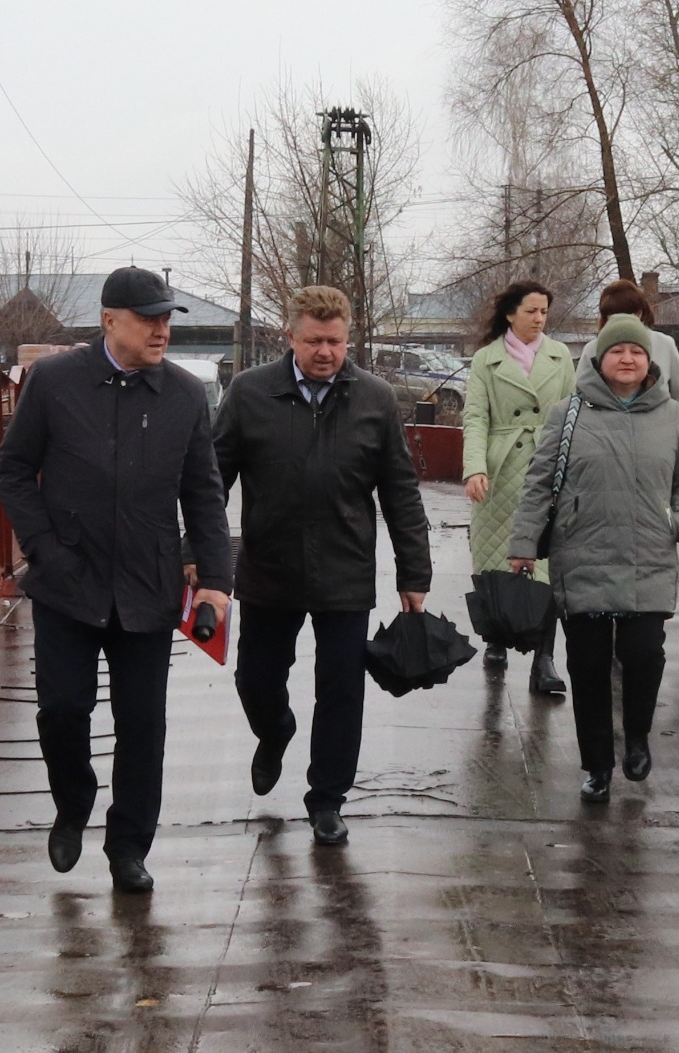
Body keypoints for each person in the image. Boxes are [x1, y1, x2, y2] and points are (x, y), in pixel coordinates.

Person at [0, 266, 233, 893]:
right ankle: (73, 803)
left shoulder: (184, 395)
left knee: (142, 725)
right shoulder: (53, 382)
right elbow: (13, 471)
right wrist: (45, 550)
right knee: (62, 710)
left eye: (166, 319)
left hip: (148, 586)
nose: (161, 330)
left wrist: (216, 579)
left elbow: (203, 493)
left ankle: (128, 847)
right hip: (67, 583)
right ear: (109, 321)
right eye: (148, 319)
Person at [213, 285, 432, 846]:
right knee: (256, 679)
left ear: (348, 337)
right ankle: (275, 730)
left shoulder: (375, 398)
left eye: (335, 341)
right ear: (290, 336)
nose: (326, 352)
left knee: (341, 690)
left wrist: (414, 573)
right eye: (313, 341)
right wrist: (199, 554)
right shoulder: (249, 392)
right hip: (269, 568)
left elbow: (400, 490)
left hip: (345, 570)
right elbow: (211, 482)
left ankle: (328, 799)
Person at [508, 314, 679, 802]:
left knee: (644, 655)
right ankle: (597, 765)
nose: (627, 358)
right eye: (617, 350)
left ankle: (636, 735)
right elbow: (538, 484)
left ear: (648, 360)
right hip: (583, 554)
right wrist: (523, 544)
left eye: (636, 351)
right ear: (599, 358)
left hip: (649, 555)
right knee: (588, 664)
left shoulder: (670, 415)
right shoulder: (568, 413)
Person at [461, 280, 575, 693]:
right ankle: (496, 637)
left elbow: (573, 415)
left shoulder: (560, 356)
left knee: (547, 564)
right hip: (500, 470)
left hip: (548, 467)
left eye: (544, 311)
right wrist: (475, 468)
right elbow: (475, 416)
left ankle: (544, 659)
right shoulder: (485, 359)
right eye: (531, 311)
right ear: (511, 314)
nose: (539, 319)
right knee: (494, 557)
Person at [575, 279, 679, 442]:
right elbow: (577, 401)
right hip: (605, 442)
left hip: (659, 442)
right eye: (614, 316)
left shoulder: (664, 344)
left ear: (640, 313)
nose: (627, 359)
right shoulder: (592, 349)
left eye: (637, 352)